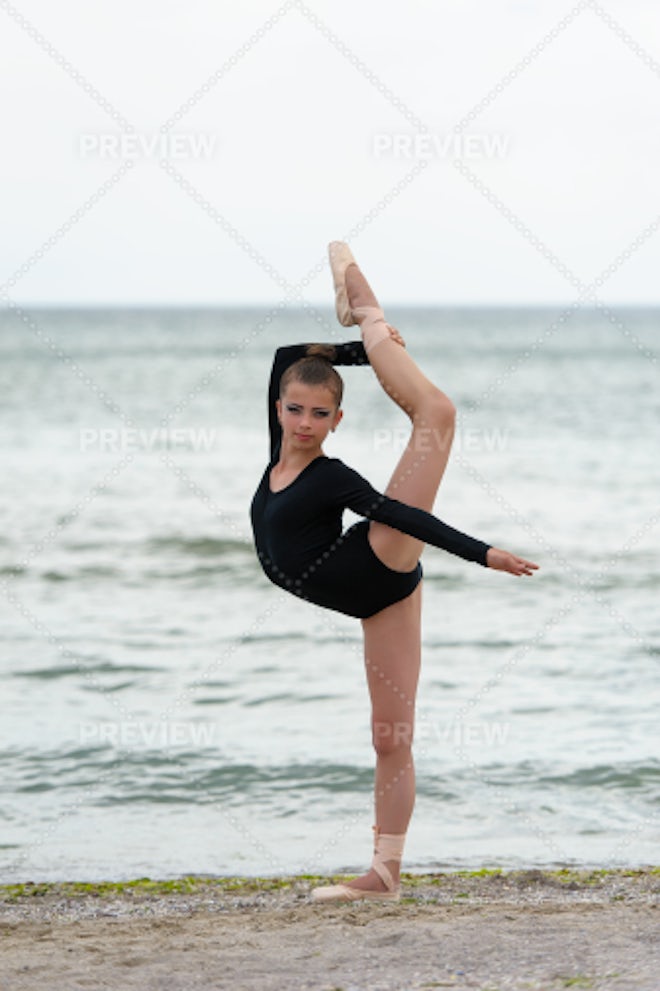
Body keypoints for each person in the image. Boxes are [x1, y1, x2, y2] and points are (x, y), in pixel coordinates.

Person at [250, 242, 539, 902]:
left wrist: (483, 552)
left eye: (320, 414)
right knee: (390, 736)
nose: (304, 422)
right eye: (294, 409)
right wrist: (354, 352)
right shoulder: (281, 442)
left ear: (336, 421)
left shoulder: (330, 475)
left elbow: (402, 517)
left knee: (436, 414)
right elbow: (283, 360)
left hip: (378, 557)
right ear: (279, 408)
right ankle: (384, 876)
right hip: (379, 600)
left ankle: (363, 295)